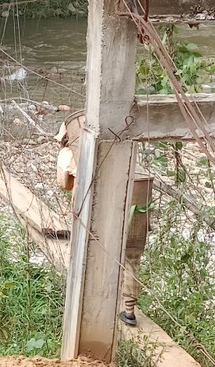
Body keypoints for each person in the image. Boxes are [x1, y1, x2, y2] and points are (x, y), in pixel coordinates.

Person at [54, 112, 152, 328]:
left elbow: (65, 184)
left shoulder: (71, 153)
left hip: (98, 211)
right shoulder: (121, 147)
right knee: (131, 258)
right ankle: (129, 311)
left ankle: (91, 300)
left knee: (90, 250)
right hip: (138, 202)